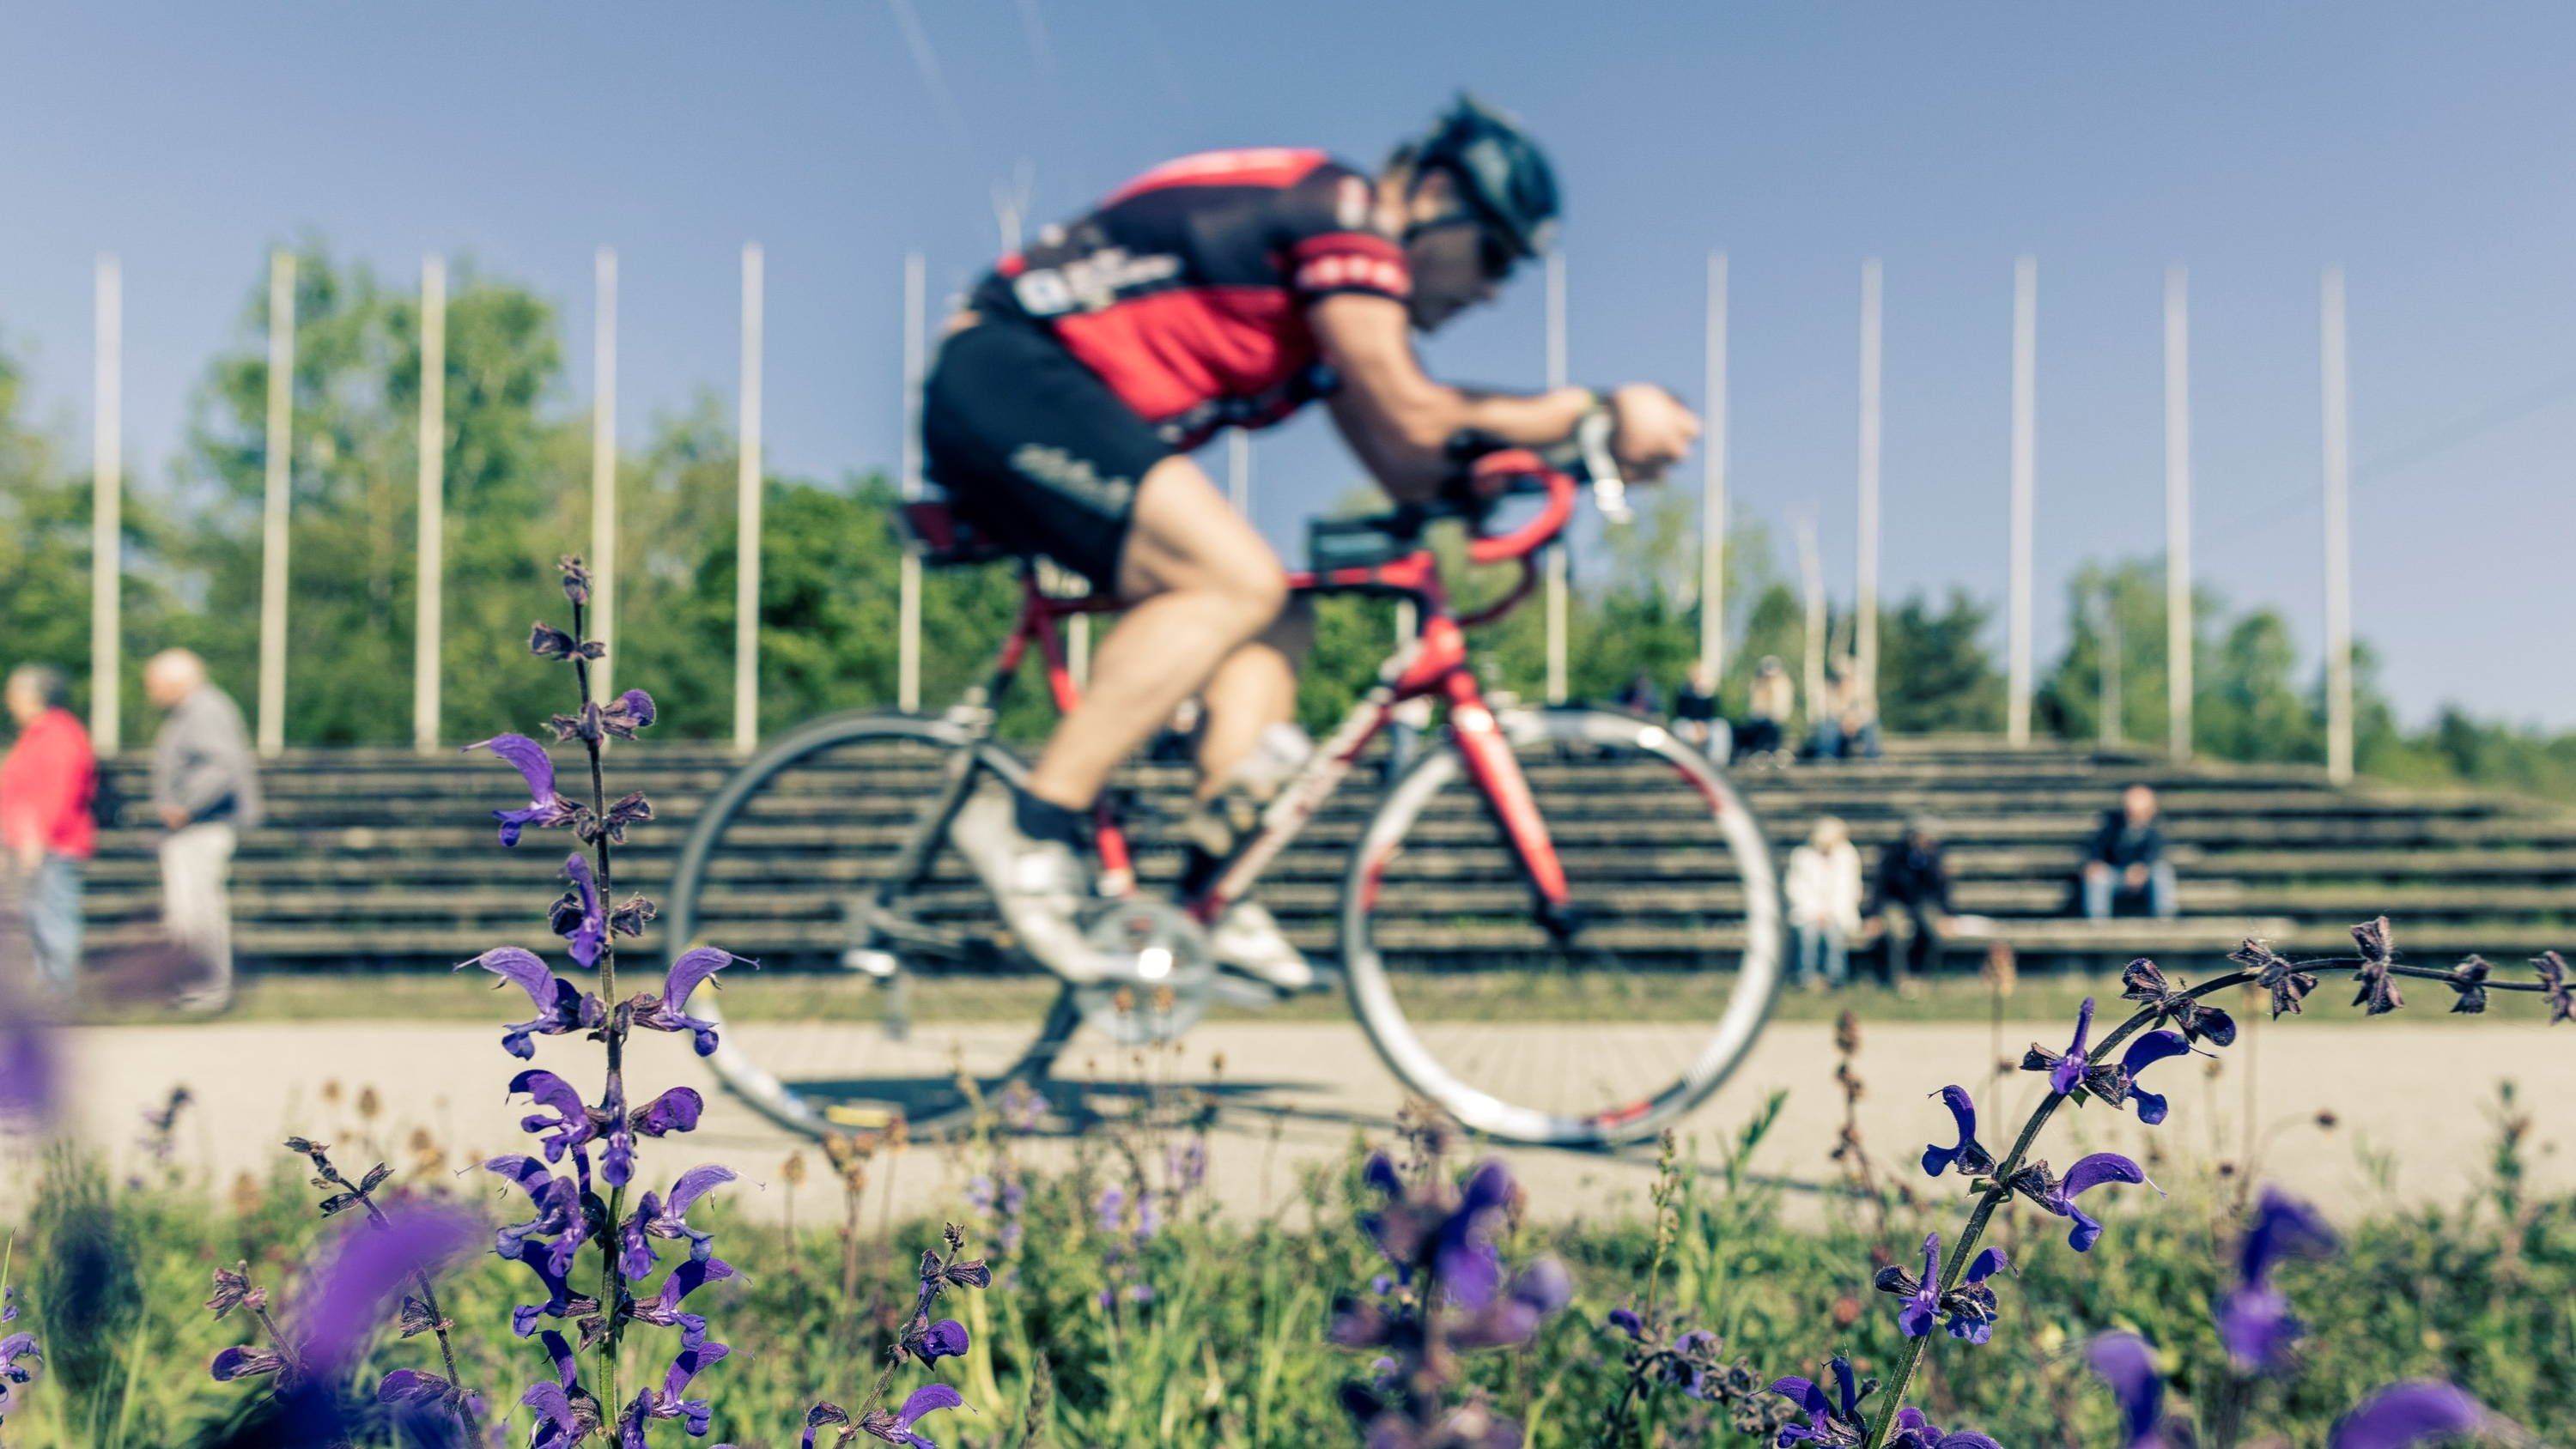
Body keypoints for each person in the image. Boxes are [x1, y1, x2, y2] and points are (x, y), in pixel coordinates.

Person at [919, 96, 1701, 991]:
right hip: (1005, 373)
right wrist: (1592, 413)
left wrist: (1522, 469)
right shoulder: (1347, 213)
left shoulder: (1335, 308)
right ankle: (1029, 823)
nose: (1488, 290)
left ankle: (1214, 881)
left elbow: (1409, 464)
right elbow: (1413, 411)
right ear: (1436, 193)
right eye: (1492, 257)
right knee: (1230, 580)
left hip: (1061, 407)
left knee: (1276, 608)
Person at [145, 649, 262, 1011]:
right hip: (196, 828)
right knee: (187, 912)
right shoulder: (194, 711)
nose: (150, 692)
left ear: (176, 681)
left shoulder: (205, 710)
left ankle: (209, 989)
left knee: (199, 913)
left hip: (203, 826)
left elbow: (223, 767)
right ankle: (196, 987)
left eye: (153, 684)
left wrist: (185, 806)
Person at [1, 664, 97, 993]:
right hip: (35, 844)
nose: (8, 699)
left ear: (37, 696)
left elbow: (60, 791)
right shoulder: (36, 734)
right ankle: (50, 988)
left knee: (53, 918)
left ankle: (60, 992)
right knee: (38, 918)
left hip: (51, 846)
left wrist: (36, 838)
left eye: (14, 692)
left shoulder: (59, 734)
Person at [1866, 815, 1953, 990]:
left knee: (1933, 929)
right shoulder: (1894, 855)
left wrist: (1947, 915)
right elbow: (1880, 886)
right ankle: (1899, 977)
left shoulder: (1934, 857)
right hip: (1895, 902)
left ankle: (1923, 976)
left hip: (1924, 903)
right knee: (1896, 932)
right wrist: (1874, 915)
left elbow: (1942, 888)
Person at [1783, 815, 1862, 991]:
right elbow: (1796, 888)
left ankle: (1835, 977)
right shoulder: (1802, 855)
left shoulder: (1848, 856)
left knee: (1834, 934)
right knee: (1808, 934)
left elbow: (1849, 889)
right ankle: (1805, 977)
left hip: (1837, 911)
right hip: (1809, 912)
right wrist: (1815, 911)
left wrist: (1830, 912)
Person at [2082, 783, 2178, 919]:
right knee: (2097, 876)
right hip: (2115, 873)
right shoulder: (2111, 824)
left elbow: (2154, 853)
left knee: (2162, 871)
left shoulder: (2157, 828)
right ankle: (2097, 922)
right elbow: (2097, 848)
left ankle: (2165, 918)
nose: (2134, 816)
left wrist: (2141, 867)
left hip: (2144, 874)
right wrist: (2095, 863)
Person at [1735, 656, 1793, 762]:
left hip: (1773, 723)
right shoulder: (1757, 686)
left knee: (1769, 726)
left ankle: (1765, 752)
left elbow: (1781, 710)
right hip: (1758, 722)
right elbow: (1753, 709)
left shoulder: (1782, 685)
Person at [1671, 662, 1728, 763]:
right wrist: (1697, 726)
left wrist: (1703, 727)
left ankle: (1717, 762)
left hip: (1707, 726)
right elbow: (1679, 713)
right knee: (1680, 727)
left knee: (1721, 727)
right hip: (1689, 724)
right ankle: (1683, 761)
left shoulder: (1710, 695)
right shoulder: (1683, 693)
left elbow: (1713, 714)